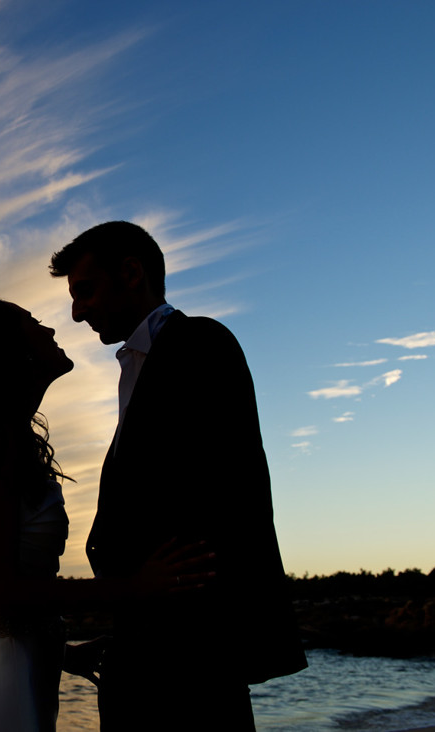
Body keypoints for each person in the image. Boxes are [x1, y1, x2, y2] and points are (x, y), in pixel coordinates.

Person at [49, 221, 307, 730]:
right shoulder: (138, 364)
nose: (77, 312)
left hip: (190, 663)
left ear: (131, 273)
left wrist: (174, 635)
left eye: (86, 291)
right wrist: (129, 630)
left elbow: (227, 495)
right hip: (148, 648)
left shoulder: (199, 343)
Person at [0, 298, 213, 732]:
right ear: (10, 350)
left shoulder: (5, 439)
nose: (52, 329)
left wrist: (61, 652)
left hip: (7, 666)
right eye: (35, 322)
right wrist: (132, 587)